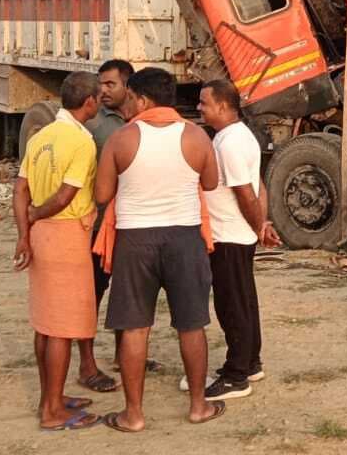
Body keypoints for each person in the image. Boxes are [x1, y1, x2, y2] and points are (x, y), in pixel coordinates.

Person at [92, 67, 224, 431]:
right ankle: (198, 406)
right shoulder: (196, 135)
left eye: (132, 98)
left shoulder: (122, 138)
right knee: (191, 325)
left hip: (135, 240)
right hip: (185, 237)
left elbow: (102, 195)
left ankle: (133, 414)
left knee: (135, 328)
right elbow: (210, 183)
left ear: (142, 100)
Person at [12, 72, 103, 431]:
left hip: (40, 236)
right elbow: (66, 195)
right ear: (89, 102)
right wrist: (37, 214)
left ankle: (50, 397)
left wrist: (25, 232)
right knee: (63, 327)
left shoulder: (41, 135)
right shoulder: (82, 142)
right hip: (65, 235)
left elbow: (20, 189)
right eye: (98, 97)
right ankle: (52, 411)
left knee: (45, 323)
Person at [188, 79, 281, 400]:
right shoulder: (234, 136)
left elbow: (246, 192)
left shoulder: (230, 143)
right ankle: (250, 363)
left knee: (232, 306)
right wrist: (261, 224)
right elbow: (258, 185)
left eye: (204, 103)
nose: (199, 108)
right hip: (234, 233)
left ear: (224, 106)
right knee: (243, 301)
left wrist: (258, 227)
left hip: (229, 235)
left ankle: (236, 375)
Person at [75, 58, 144, 394]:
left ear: (128, 87)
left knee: (128, 293)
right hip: (98, 226)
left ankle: (123, 355)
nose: (102, 90)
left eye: (110, 84)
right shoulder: (92, 125)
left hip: (133, 226)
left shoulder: (143, 119)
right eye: (100, 84)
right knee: (91, 295)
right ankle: (87, 366)